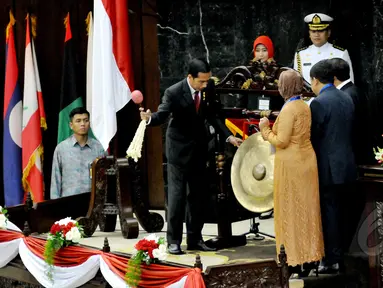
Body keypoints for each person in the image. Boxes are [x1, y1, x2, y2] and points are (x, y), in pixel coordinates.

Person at [140, 58, 243, 255]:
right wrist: (149, 118)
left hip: (200, 149)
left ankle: (195, 239)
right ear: (190, 77)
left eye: (207, 81)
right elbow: (162, 115)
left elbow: (213, 115)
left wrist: (229, 137)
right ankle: (174, 241)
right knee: (177, 198)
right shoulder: (174, 92)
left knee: (199, 197)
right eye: (201, 82)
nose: (205, 85)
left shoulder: (208, 87)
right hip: (178, 151)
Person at [259, 69, 324, 275]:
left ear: (284, 86)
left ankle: (294, 259)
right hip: (306, 160)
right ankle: (310, 257)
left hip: (291, 164)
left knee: (290, 210)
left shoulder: (289, 109)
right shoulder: (304, 105)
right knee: (307, 209)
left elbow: (282, 141)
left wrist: (264, 129)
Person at [309, 59, 357, 273]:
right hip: (347, 165)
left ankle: (330, 259)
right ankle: (342, 257)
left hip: (328, 168)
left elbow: (315, 135)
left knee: (329, 214)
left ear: (315, 80)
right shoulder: (346, 98)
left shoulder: (319, 103)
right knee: (342, 212)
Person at [50, 107, 105, 199]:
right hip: (68, 203)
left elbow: (104, 179)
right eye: (78, 121)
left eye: (85, 120)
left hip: (93, 203)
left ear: (89, 123)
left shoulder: (98, 148)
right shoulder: (62, 149)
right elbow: (56, 181)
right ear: (71, 125)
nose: (82, 124)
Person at [293, 13, 354, 87]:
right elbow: (297, 83)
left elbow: (348, 83)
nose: (317, 35)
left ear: (328, 33)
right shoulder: (301, 54)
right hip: (308, 97)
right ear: (309, 34)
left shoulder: (340, 53)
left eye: (321, 31)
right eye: (313, 31)